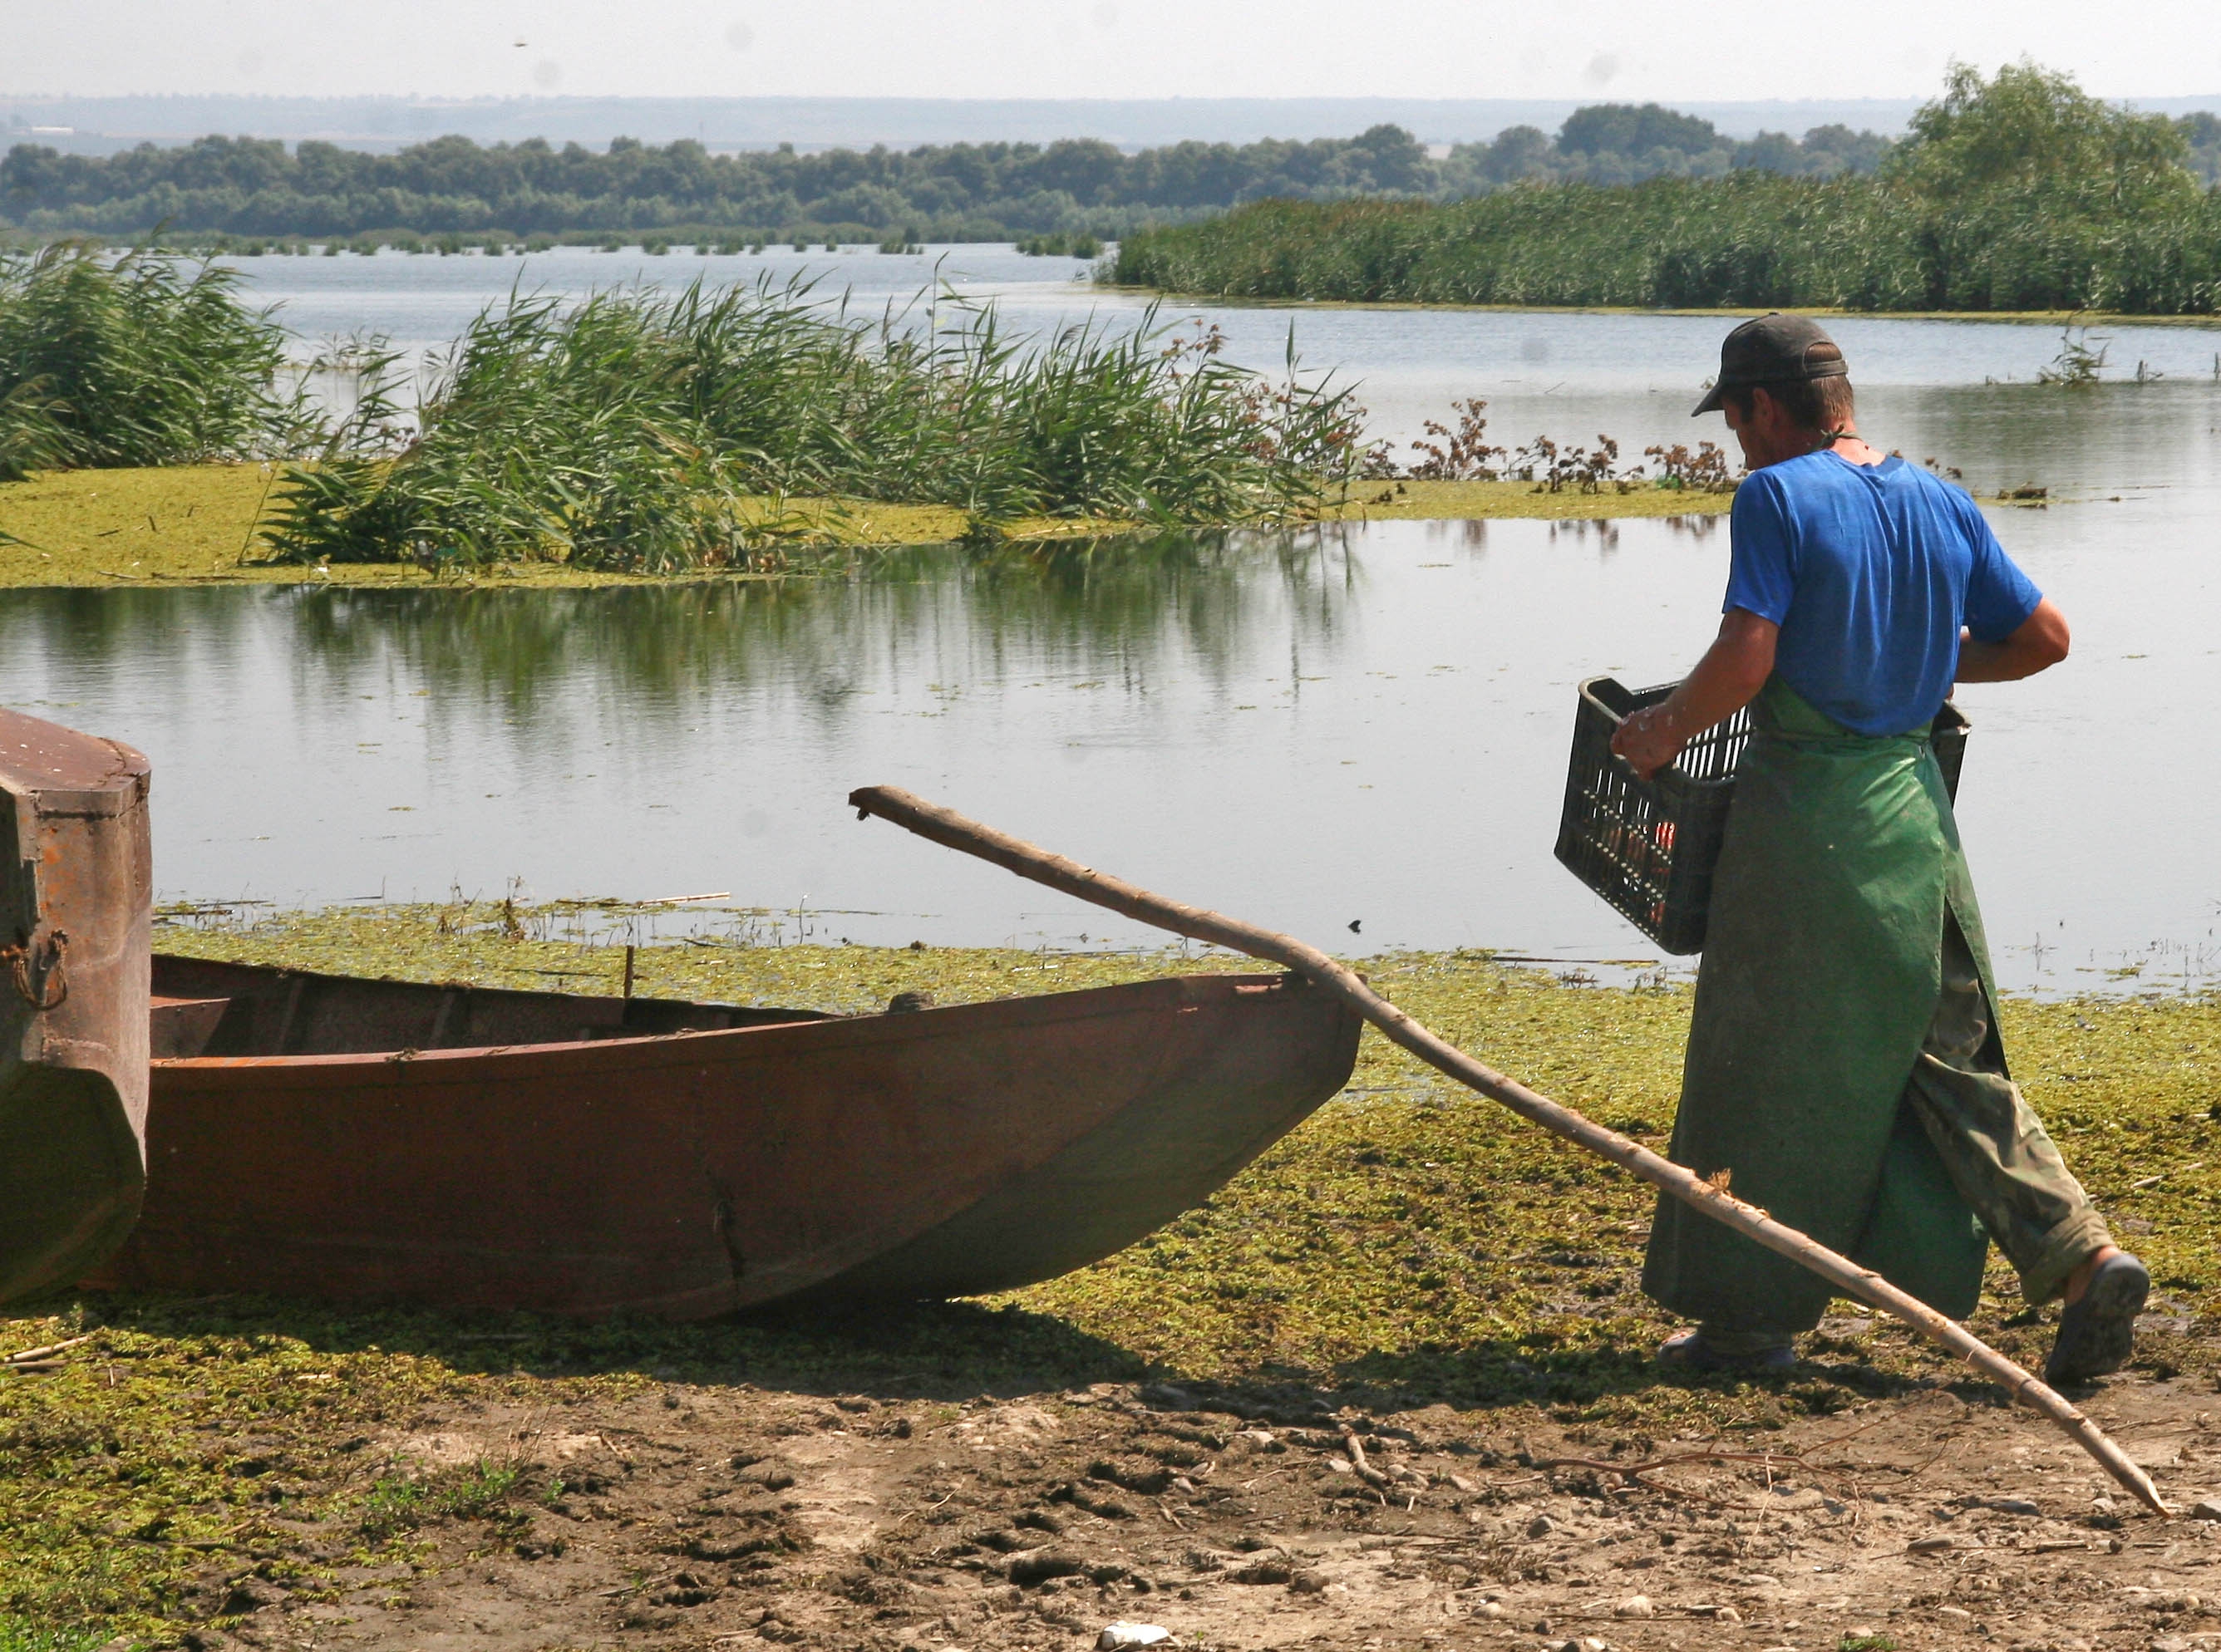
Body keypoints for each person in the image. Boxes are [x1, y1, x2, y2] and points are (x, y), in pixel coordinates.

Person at [1609, 313, 2145, 1383]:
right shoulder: (1939, 498)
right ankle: (2084, 1258)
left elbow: (1746, 654)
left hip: (1810, 831)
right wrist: (1917, 670)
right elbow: (2044, 638)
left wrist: (1659, 728)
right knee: (1949, 1060)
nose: (1735, 444)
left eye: (1734, 420)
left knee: (1762, 1065)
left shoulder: (1774, 494)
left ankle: (1742, 1324)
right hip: (1914, 822)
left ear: (1763, 407)